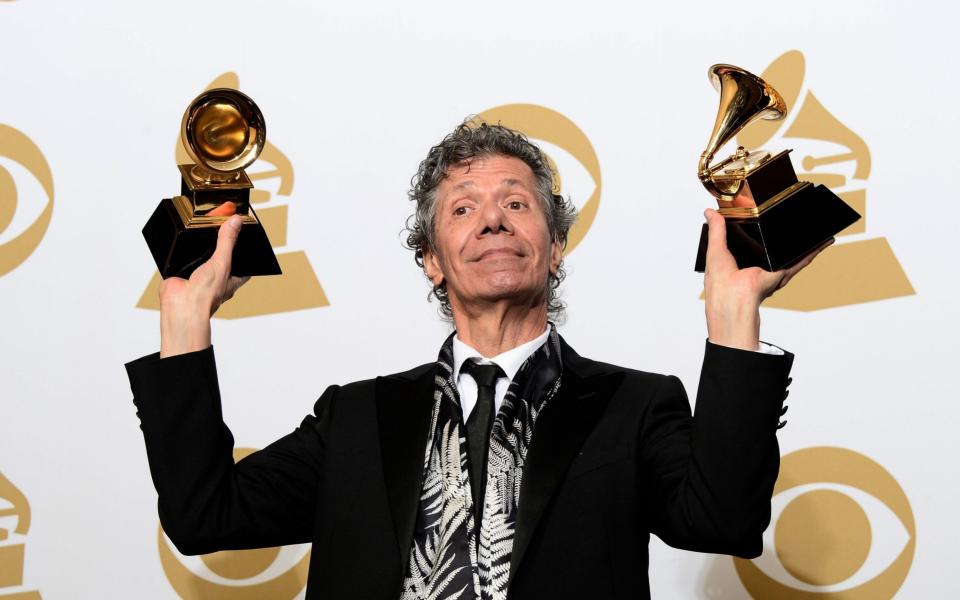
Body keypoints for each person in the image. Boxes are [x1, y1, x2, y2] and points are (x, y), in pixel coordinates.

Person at [126, 121, 826, 600]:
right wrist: (185, 321)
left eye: (517, 204)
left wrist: (734, 320)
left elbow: (722, 521)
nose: (493, 219)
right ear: (431, 261)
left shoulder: (635, 408)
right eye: (463, 209)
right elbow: (204, 518)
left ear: (555, 249)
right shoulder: (355, 418)